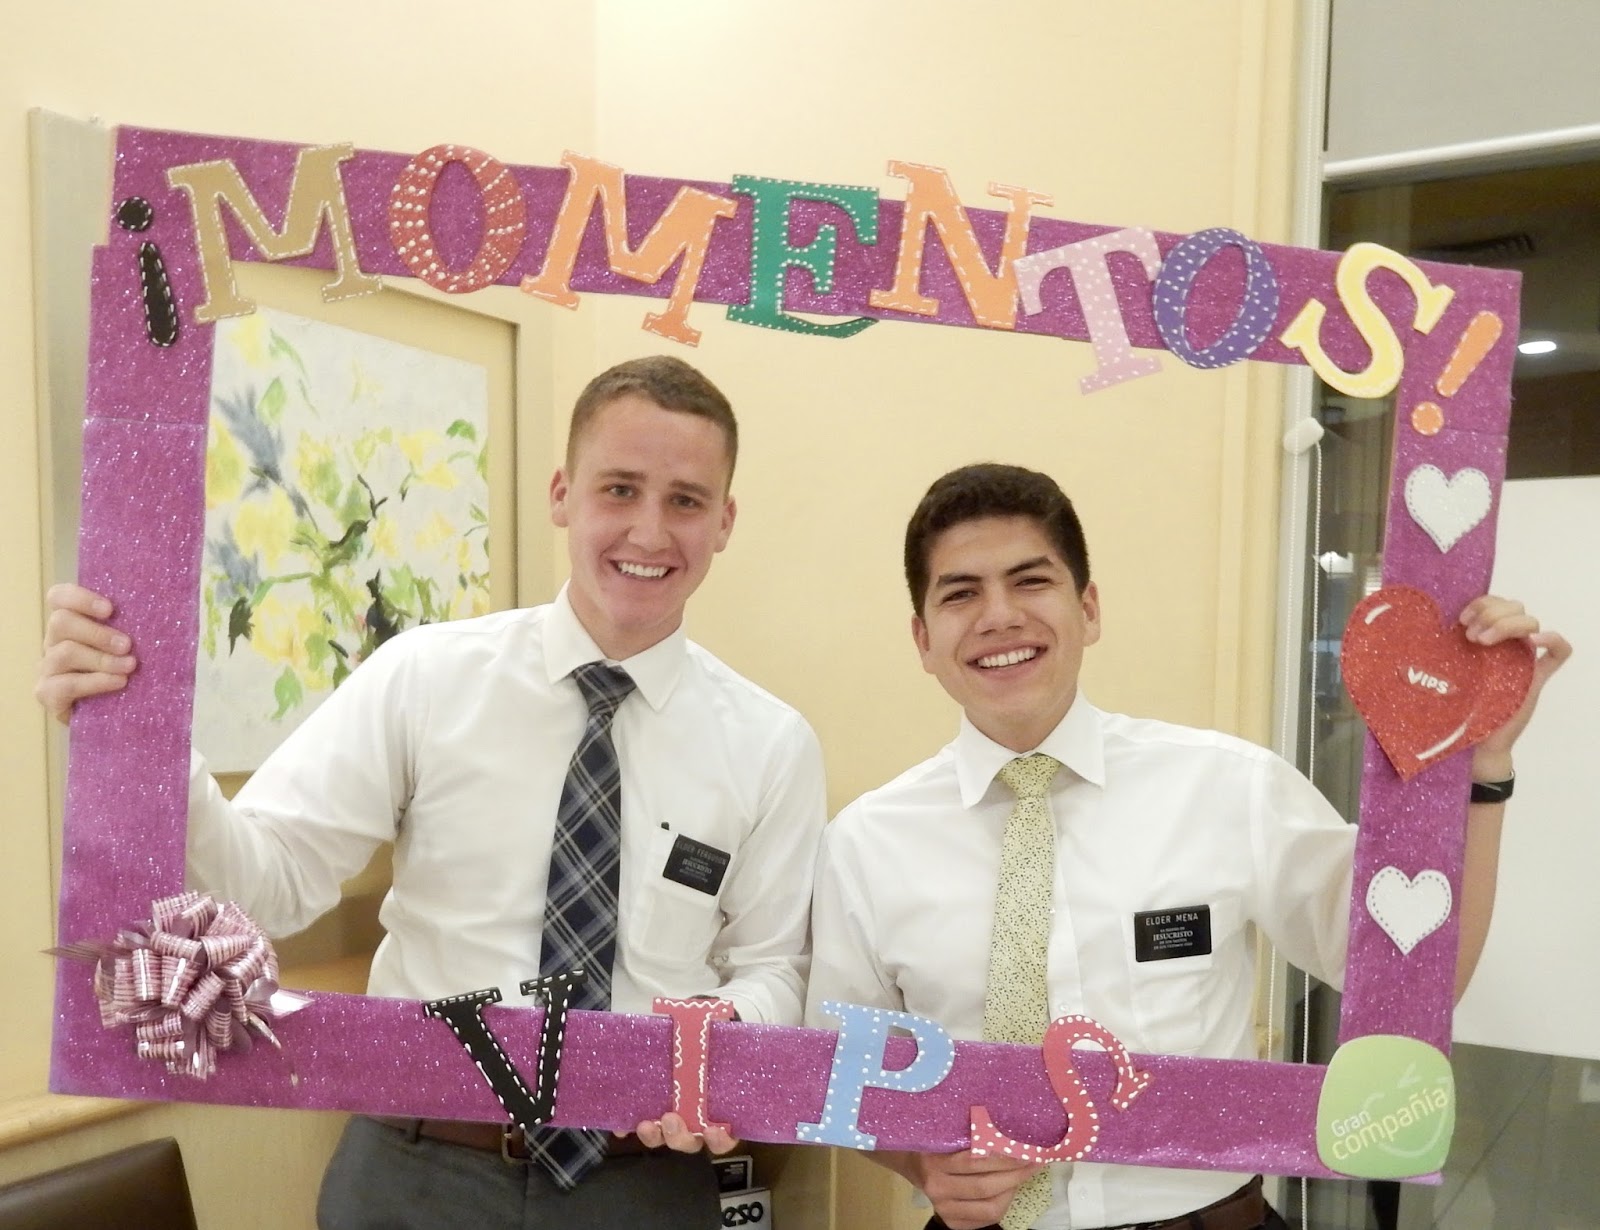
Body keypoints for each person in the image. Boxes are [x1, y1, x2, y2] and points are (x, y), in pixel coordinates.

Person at [38, 356, 828, 1230]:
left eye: (685, 500)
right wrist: (146, 736)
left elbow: (775, 967)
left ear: (724, 521)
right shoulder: (425, 678)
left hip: (645, 1183)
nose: (649, 530)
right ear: (562, 494)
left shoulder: (772, 744)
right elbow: (267, 884)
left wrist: (719, 1027)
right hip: (415, 1171)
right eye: (619, 489)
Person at [804, 462, 1570, 1230]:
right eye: (960, 593)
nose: (999, 616)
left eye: (1031, 581)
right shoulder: (867, 842)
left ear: (1089, 609)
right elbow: (836, 1067)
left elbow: (1417, 977)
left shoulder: (1230, 787)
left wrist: (1480, 771)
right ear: (923, 639)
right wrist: (919, 1165)